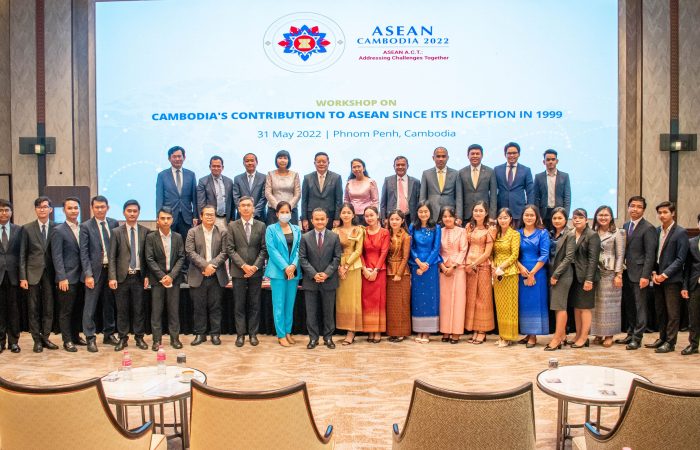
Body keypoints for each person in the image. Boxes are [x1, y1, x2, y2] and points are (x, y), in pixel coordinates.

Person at [646, 201, 688, 354]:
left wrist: (664, 275)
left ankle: (670, 342)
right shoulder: (657, 231)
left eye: (665, 212)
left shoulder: (680, 232)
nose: (662, 215)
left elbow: (680, 259)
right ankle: (662, 338)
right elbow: (653, 254)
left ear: (673, 213)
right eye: (660, 213)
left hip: (672, 279)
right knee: (661, 310)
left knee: (672, 312)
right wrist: (654, 274)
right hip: (657, 277)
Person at [79, 195, 120, 352]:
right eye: (97, 207)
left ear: (107, 208)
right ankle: (90, 337)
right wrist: (88, 274)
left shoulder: (113, 223)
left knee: (109, 304)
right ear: (92, 208)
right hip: (94, 272)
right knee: (90, 306)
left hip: (110, 271)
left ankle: (109, 334)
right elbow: (84, 253)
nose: (100, 210)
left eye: (103, 207)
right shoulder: (85, 226)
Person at [108, 200, 150, 352]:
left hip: (139, 276)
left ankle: (139, 337)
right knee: (122, 310)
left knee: (139, 309)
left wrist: (147, 276)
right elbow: (112, 257)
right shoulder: (116, 232)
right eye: (129, 211)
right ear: (124, 212)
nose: (132, 213)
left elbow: (147, 257)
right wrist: (112, 277)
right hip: (122, 277)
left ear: (139, 213)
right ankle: (123, 338)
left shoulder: (145, 231)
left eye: (135, 211)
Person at [616, 196, 657, 350]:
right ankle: (630, 333)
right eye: (632, 206)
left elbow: (650, 255)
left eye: (639, 207)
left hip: (640, 274)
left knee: (640, 307)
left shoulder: (648, 228)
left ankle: (637, 338)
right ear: (628, 208)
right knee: (630, 306)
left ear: (643, 210)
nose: (635, 209)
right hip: (627, 272)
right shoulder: (626, 225)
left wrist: (645, 276)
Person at [226, 196, 267, 347]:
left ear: (253, 208)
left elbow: (264, 249)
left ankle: (253, 334)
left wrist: (255, 267)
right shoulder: (232, 226)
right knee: (239, 304)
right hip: (238, 271)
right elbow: (230, 249)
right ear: (238, 208)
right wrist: (243, 265)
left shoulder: (261, 225)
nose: (246, 208)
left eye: (249, 205)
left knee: (254, 304)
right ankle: (240, 335)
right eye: (243, 205)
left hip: (256, 272)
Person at [186, 205, 229, 346]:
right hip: (198, 274)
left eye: (212, 214)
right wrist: (205, 266)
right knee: (199, 307)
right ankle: (200, 334)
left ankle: (215, 334)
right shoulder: (192, 232)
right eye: (207, 214)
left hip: (216, 275)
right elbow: (190, 252)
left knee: (216, 306)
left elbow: (225, 252)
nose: (210, 217)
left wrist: (212, 266)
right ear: (201, 216)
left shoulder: (222, 232)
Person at [299, 208, 342, 349]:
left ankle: (328, 338)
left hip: (329, 280)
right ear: (312, 220)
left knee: (328, 312)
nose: (319, 221)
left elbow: (337, 258)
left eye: (322, 219)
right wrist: (314, 274)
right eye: (316, 219)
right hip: (311, 281)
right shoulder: (305, 237)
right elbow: (302, 258)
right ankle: (313, 338)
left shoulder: (334, 237)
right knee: (311, 312)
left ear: (327, 220)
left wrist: (326, 274)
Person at [19, 196, 56, 353]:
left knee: (49, 307)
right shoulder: (27, 228)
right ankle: (36, 340)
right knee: (33, 308)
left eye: (45, 206)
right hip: (32, 273)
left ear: (50, 209)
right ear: (35, 209)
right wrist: (23, 276)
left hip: (51, 273)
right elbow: (22, 254)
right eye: (39, 207)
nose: (42, 209)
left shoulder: (56, 227)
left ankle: (45, 337)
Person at [145, 206, 185, 350]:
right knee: (156, 311)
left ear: (172, 220)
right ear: (158, 220)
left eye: (168, 218)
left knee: (174, 311)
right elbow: (149, 259)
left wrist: (171, 276)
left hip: (174, 279)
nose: (165, 221)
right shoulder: (151, 237)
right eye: (162, 218)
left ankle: (175, 339)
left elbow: (181, 258)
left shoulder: (178, 237)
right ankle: (157, 340)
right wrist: (163, 276)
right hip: (157, 280)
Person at [264, 201, 301, 347]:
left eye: (287, 212)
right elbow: (271, 250)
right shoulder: (271, 229)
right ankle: (281, 335)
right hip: (278, 272)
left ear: (291, 213)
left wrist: (293, 265)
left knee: (289, 304)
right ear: (277, 214)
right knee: (279, 304)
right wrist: (286, 267)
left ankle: (288, 332)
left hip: (293, 272)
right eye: (282, 212)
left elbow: (299, 249)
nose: (285, 214)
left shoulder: (296, 229)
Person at [51, 197, 84, 352]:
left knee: (78, 309)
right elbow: (56, 256)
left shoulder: (83, 228)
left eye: (76, 208)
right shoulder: (58, 230)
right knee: (66, 311)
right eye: (70, 208)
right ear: (64, 210)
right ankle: (67, 340)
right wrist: (61, 277)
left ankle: (76, 336)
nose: (73, 211)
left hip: (82, 277)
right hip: (67, 278)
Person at [591, 206, 626, 347]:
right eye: (600, 215)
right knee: (596, 305)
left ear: (611, 217)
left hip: (610, 273)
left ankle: (609, 335)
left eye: (606, 215)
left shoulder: (618, 232)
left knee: (610, 305)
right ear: (596, 217)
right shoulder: (593, 232)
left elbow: (620, 255)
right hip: (595, 273)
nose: (603, 217)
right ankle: (598, 333)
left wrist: (618, 275)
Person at [516, 204, 550, 348]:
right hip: (521, 271)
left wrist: (532, 273)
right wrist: (521, 268)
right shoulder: (517, 233)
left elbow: (544, 255)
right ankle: (527, 332)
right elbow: (513, 254)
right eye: (526, 215)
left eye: (532, 215)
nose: (529, 217)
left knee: (535, 303)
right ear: (522, 216)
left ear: (537, 217)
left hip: (538, 272)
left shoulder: (542, 233)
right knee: (524, 304)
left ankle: (533, 335)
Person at [409, 201, 442, 343]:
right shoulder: (412, 226)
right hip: (416, 266)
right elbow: (410, 247)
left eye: (426, 211)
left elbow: (436, 248)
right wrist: (418, 262)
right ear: (417, 212)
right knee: (417, 298)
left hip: (431, 266)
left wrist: (427, 263)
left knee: (430, 297)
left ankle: (428, 331)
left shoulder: (436, 227)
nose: (423, 214)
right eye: (420, 211)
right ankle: (419, 330)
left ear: (430, 212)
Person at [464, 201, 496, 344]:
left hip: (482, 267)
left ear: (486, 213)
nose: (478, 213)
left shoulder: (490, 229)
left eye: (481, 210)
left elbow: (487, 253)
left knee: (483, 299)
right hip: (468, 268)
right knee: (472, 299)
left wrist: (474, 264)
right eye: (475, 210)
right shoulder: (469, 227)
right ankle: (474, 329)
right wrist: (468, 264)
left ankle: (482, 331)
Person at [544, 207, 576, 351]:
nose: (557, 221)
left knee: (560, 306)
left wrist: (556, 275)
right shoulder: (551, 233)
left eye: (560, 218)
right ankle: (562, 335)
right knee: (556, 306)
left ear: (565, 219)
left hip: (563, 274)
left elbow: (569, 257)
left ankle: (556, 339)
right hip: (550, 272)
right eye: (554, 218)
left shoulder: (570, 234)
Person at [568, 208, 601, 349]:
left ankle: (584, 337)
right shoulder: (571, 233)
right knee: (577, 307)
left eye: (580, 217)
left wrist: (589, 279)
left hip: (586, 277)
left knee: (585, 308)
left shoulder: (592, 235)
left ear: (586, 220)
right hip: (574, 276)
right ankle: (578, 334)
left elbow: (593, 260)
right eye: (575, 217)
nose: (577, 220)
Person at [332, 203, 365, 345]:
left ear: (353, 215)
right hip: (338, 267)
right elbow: (333, 250)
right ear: (340, 215)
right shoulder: (334, 231)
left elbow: (358, 250)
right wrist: (339, 267)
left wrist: (346, 266)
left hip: (353, 266)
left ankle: (351, 331)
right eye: (343, 212)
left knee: (353, 299)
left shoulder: (359, 230)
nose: (346, 215)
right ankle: (344, 328)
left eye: (348, 212)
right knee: (342, 300)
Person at [437, 206, 468, 344]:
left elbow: (463, 250)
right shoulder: (439, 231)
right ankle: (445, 331)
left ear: (455, 217)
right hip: (443, 269)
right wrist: (443, 266)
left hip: (458, 269)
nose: (447, 219)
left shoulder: (462, 231)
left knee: (458, 301)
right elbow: (437, 250)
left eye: (450, 216)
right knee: (445, 301)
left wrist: (454, 266)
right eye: (444, 216)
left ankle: (456, 332)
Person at [492, 208, 520, 347]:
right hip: (496, 273)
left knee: (509, 306)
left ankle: (509, 337)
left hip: (509, 272)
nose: (503, 220)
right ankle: (502, 335)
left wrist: (501, 267)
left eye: (505, 217)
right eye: (500, 218)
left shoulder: (515, 234)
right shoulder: (496, 234)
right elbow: (492, 253)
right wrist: (493, 266)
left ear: (510, 219)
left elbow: (514, 255)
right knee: (500, 306)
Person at [361, 206, 390, 343]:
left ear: (377, 215)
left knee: (379, 301)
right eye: (366, 216)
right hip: (365, 271)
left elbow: (384, 252)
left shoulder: (385, 232)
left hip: (379, 271)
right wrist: (364, 269)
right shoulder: (362, 231)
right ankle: (369, 330)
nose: (369, 218)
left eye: (371, 215)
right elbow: (359, 252)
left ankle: (378, 331)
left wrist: (376, 270)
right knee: (367, 302)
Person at [155, 145, 198, 239]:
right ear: (169, 158)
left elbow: (194, 198)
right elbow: (159, 198)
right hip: (168, 216)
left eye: (179, 156)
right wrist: (158, 217)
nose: (177, 159)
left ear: (184, 157)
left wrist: (195, 216)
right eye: (174, 157)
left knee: (186, 244)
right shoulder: (162, 175)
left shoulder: (191, 175)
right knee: (169, 244)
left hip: (186, 217)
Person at [385, 210, 411, 342]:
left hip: (401, 273)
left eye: (397, 219)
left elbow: (405, 257)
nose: (394, 221)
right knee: (391, 304)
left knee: (402, 303)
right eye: (392, 219)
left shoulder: (406, 236)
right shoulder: (386, 234)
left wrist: (399, 273)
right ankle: (392, 332)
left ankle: (401, 332)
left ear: (402, 221)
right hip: (387, 271)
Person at [419, 147, 463, 225]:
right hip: (431, 213)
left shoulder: (456, 173)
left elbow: (459, 197)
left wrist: (459, 216)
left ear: (447, 158)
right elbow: (422, 196)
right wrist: (422, 214)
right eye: (438, 156)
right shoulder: (426, 174)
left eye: (443, 156)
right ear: (433, 158)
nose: (441, 159)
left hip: (450, 214)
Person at [495, 142, 534, 227]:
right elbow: (493, 192)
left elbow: (530, 192)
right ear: (505, 154)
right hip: (501, 212)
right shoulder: (497, 169)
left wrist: (530, 211)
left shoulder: (526, 170)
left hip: (519, 211)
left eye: (514, 153)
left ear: (519, 154)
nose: (512, 155)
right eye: (509, 153)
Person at [0, 199, 22, 354]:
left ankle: (14, 342)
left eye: (6, 210)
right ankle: (0, 341)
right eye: (1, 210)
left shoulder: (18, 230)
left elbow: (22, 254)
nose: (3, 213)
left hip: (14, 275)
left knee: (14, 310)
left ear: (11, 212)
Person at [301, 152, 343, 231]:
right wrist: (304, 219)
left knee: (329, 238)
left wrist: (337, 218)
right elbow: (304, 200)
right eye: (318, 162)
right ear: (314, 163)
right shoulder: (307, 178)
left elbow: (339, 200)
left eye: (324, 162)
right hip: (312, 217)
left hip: (330, 217)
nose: (321, 164)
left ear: (328, 163)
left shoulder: (336, 177)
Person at [533, 149, 571, 229]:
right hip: (544, 214)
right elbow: (535, 198)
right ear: (544, 162)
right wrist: (537, 215)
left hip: (559, 212)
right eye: (548, 160)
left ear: (557, 161)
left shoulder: (564, 176)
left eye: (553, 159)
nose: (550, 162)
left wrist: (566, 215)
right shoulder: (538, 177)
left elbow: (567, 197)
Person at [458, 144, 497, 222]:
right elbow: (459, 196)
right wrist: (459, 216)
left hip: (485, 214)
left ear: (482, 155)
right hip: (467, 214)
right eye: (472, 154)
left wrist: (492, 216)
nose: (475, 156)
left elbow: (493, 196)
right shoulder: (461, 172)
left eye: (477, 154)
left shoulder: (490, 172)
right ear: (468, 156)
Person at [196, 155, 234, 230]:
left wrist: (232, 218)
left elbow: (232, 202)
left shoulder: (229, 181)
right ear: (210, 167)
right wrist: (204, 219)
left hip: (226, 219)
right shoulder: (203, 181)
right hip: (210, 219)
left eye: (218, 166)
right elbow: (201, 203)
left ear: (222, 167)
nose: (216, 168)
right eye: (214, 166)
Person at [380, 156, 420, 226]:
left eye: (403, 165)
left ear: (407, 166)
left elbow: (419, 201)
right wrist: (384, 218)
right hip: (393, 217)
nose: (400, 167)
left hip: (410, 218)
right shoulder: (388, 180)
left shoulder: (415, 182)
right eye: (398, 165)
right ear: (394, 166)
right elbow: (383, 202)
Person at [680, 213, 700, 355]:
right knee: (694, 317)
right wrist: (685, 286)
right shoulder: (691, 242)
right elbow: (687, 267)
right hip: (695, 285)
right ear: (698, 224)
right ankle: (693, 344)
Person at [265, 150, 301, 225]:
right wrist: (279, 208)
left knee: (291, 232)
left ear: (288, 160)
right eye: (280, 158)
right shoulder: (270, 174)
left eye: (285, 158)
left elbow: (298, 194)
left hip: (291, 210)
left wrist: (287, 208)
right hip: (274, 211)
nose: (282, 160)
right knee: (273, 232)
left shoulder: (295, 174)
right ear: (276, 160)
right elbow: (268, 193)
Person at [344, 159, 379, 227]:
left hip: (367, 216)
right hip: (352, 216)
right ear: (352, 170)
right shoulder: (349, 183)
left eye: (359, 166)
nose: (357, 169)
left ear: (364, 168)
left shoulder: (371, 182)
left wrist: (374, 215)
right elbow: (346, 200)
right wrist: (347, 213)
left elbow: (375, 201)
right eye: (354, 167)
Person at [232, 153, 267, 221]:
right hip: (242, 217)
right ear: (243, 163)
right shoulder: (237, 178)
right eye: (247, 161)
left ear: (256, 162)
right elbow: (236, 197)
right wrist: (243, 211)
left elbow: (264, 198)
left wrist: (254, 212)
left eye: (252, 160)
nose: (250, 163)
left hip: (259, 216)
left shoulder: (264, 177)